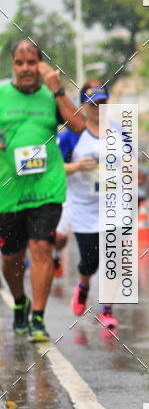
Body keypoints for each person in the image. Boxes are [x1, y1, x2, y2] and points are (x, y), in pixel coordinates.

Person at [0, 39, 85, 342]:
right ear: (13, 65)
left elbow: (79, 125)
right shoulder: (1, 94)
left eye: (31, 62)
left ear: (41, 65)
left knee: (41, 248)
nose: (26, 68)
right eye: (19, 63)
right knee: (11, 258)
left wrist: (58, 89)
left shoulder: (51, 95)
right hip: (8, 191)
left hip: (46, 187)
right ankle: (19, 302)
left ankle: (37, 318)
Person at [58, 81, 118, 329]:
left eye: (102, 103)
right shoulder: (71, 136)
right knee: (90, 261)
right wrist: (76, 167)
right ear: (82, 106)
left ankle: (107, 310)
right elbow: (54, 169)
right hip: (83, 208)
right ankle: (83, 285)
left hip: (113, 206)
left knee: (112, 257)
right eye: (92, 104)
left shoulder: (119, 132)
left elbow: (130, 164)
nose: (97, 109)